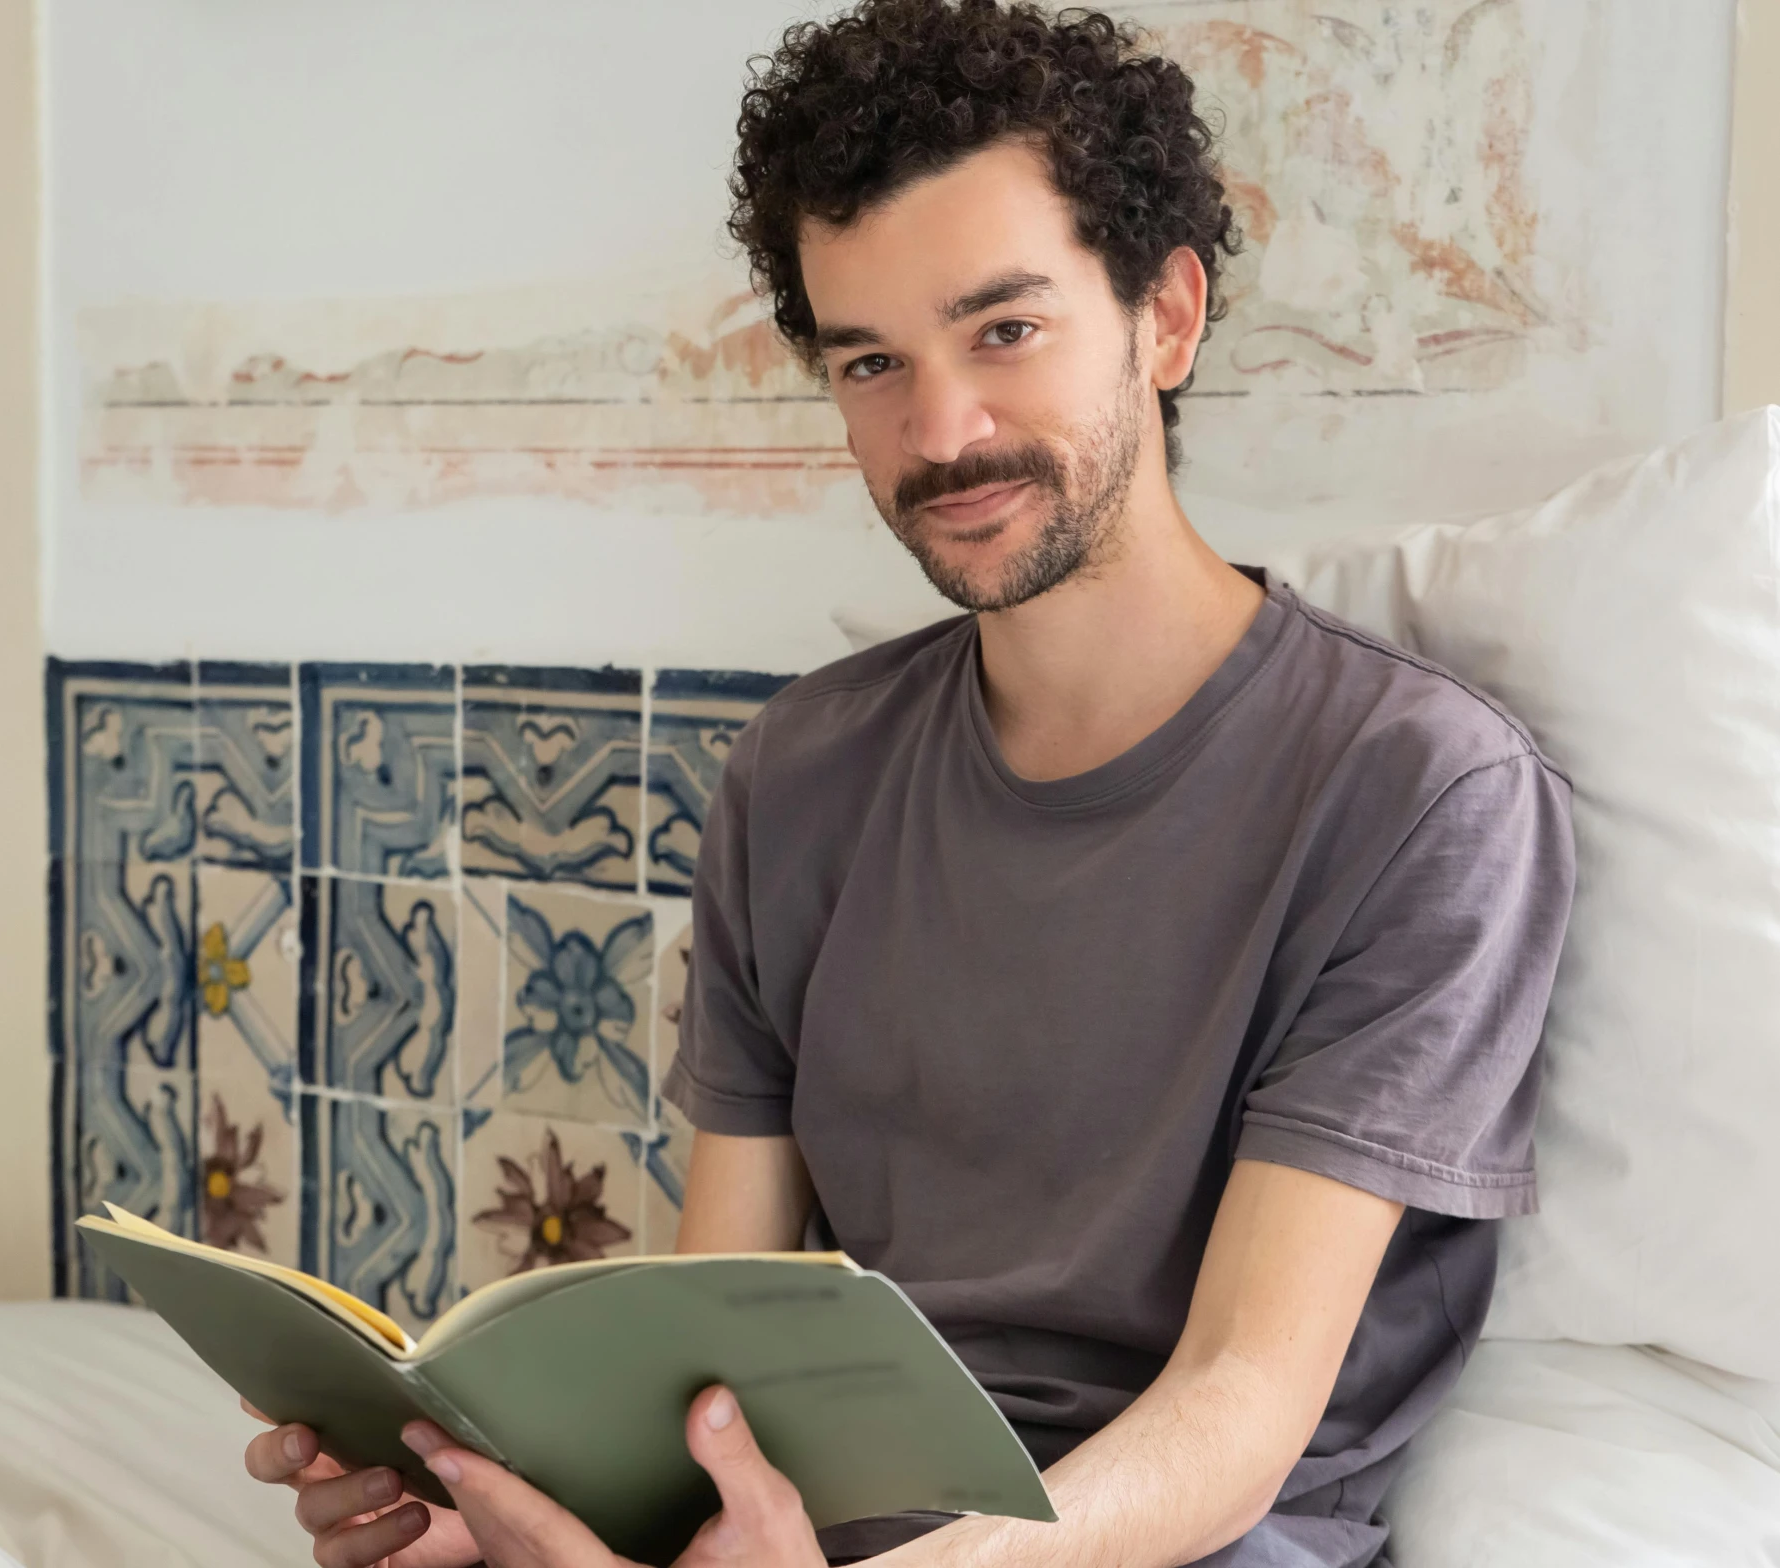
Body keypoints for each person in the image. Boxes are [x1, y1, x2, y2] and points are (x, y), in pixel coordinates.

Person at [242, 3, 1575, 1564]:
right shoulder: (803, 774)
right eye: (873, 361)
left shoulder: (1422, 794)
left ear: (1166, 317)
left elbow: (1233, 1410)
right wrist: (512, 1514)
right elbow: (697, 1360)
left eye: (1004, 330)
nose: (939, 433)